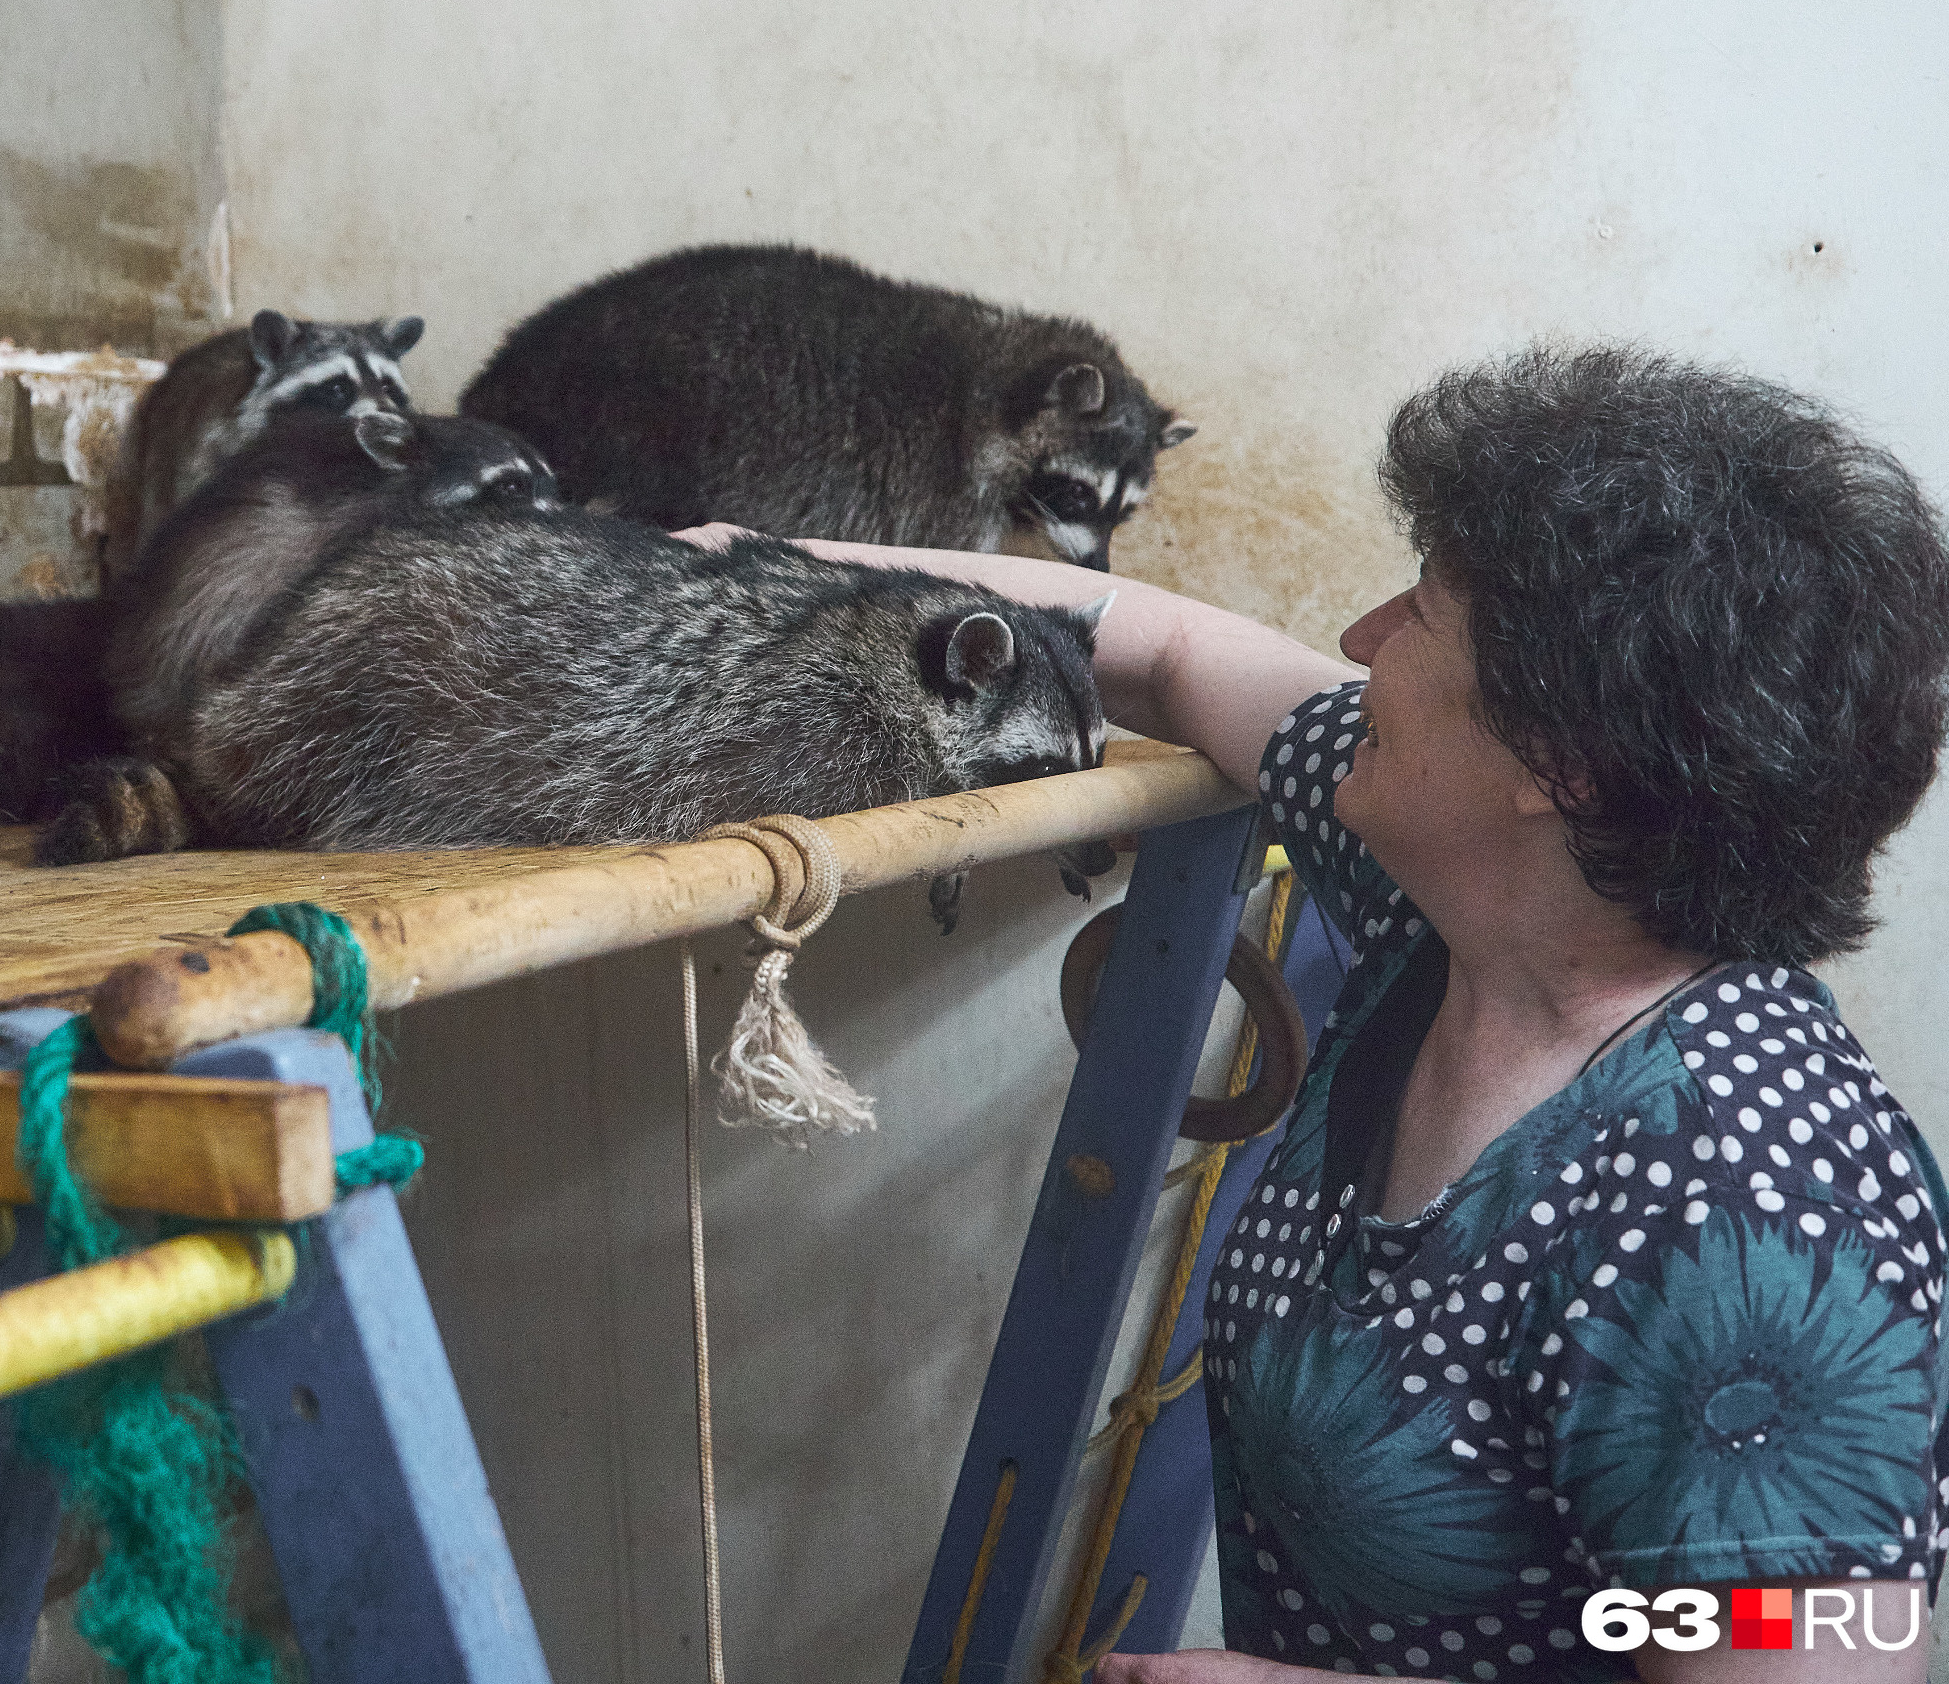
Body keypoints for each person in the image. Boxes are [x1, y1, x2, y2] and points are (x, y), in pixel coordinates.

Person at [725, 346, 1949, 1680]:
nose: (1361, 641)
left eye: (1422, 612)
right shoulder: (1468, 918)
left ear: (1562, 765)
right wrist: (744, 565)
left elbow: (1805, 1633)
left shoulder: (1753, 1209)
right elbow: (1169, 643)